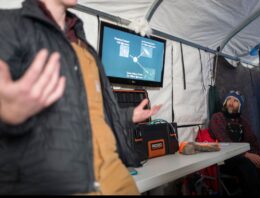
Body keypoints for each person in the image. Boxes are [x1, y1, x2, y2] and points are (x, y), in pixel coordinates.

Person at [0, 0, 161, 195]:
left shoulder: (82, 44)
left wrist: (127, 116)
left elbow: (91, 112)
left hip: (116, 178)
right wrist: (7, 113)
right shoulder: (8, 25)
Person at [208, 90, 260, 196]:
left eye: (235, 101)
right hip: (226, 159)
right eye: (228, 99)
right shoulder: (217, 118)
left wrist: (255, 156)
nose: (231, 102)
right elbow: (224, 140)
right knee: (245, 164)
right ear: (224, 103)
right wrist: (246, 155)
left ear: (239, 106)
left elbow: (253, 141)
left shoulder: (243, 121)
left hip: (247, 155)